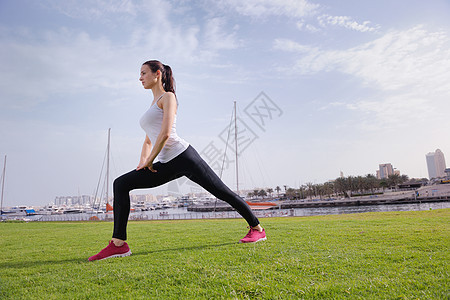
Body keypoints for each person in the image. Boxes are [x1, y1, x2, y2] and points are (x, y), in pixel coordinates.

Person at [89, 60, 266, 261]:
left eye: (143, 73)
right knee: (121, 184)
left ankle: (257, 229)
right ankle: (118, 244)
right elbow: (148, 139)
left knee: (222, 192)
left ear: (157, 74)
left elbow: (164, 134)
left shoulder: (169, 97)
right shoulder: (151, 105)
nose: (140, 78)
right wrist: (143, 163)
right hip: (165, 163)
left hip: (184, 157)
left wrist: (150, 160)